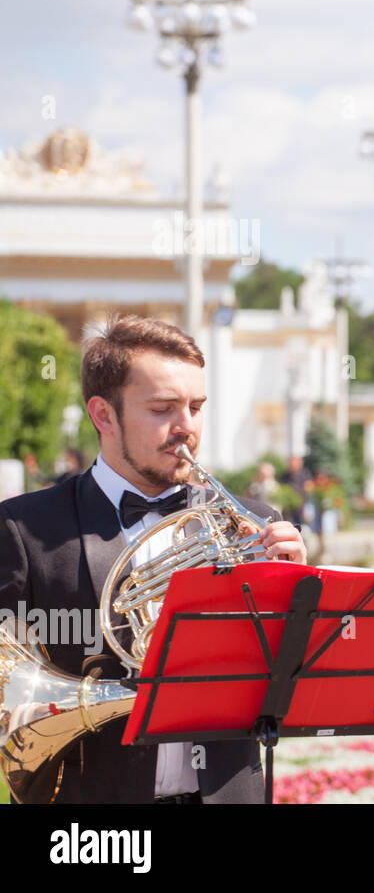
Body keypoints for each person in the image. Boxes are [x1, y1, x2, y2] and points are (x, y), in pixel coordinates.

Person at [0, 315, 306, 803]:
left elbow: (294, 683)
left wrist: (298, 595)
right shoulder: (25, 529)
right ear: (103, 415)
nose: (186, 427)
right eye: (163, 409)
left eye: (196, 406)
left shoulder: (255, 523)